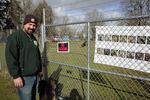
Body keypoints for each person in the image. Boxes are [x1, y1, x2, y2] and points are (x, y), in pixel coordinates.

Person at [5, 14, 42, 100]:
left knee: (33, 98)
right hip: (24, 78)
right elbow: (10, 56)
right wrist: (16, 76)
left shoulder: (33, 38)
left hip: (35, 76)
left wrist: (39, 70)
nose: (32, 27)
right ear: (24, 24)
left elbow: (37, 55)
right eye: (29, 24)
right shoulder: (15, 37)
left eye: (34, 25)